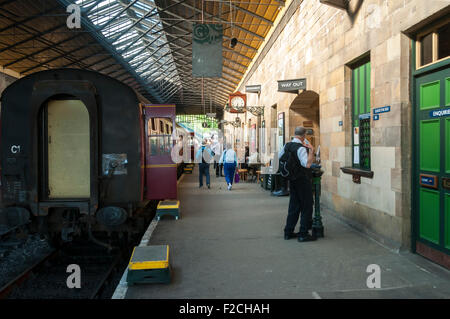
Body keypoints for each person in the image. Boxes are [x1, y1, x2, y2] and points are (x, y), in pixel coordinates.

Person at [279, 126, 316, 242]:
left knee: (294, 206)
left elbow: (280, 157)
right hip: (302, 180)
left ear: (295, 134)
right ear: (304, 136)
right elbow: (307, 164)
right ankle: (303, 234)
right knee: (306, 206)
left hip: (292, 180)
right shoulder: (300, 148)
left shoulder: (287, 145)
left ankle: (288, 232)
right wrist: (311, 150)